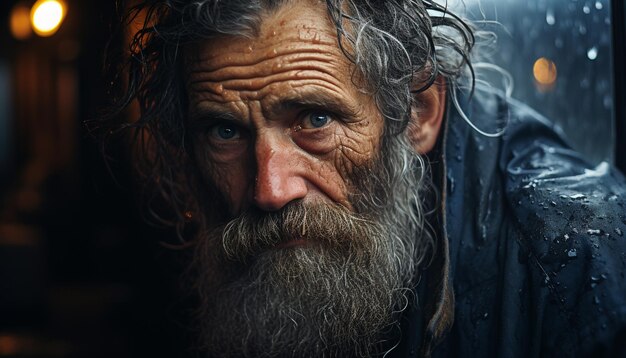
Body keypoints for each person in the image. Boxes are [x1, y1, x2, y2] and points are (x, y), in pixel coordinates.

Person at [101, 0, 626, 356]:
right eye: (224, 131)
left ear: (418, 112)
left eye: (315, 120)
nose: (269, 189)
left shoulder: (571, 255)